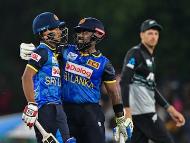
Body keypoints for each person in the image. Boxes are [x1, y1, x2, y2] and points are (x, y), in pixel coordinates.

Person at [20, 17, 133, 143]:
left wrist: (120, 120)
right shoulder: (65, 50)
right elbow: (46, 51)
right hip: (66, 111)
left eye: (85, 32)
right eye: (79, 32)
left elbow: (113, 93)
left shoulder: (104, 63)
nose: (80, 35)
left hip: (91, 114)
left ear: (97, 35)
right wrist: (32, 49)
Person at [120, 19, 185, 143]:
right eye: (150, 33)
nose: (153, 36)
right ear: (141, 35)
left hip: (141, 113)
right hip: (143, 112)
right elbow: (124, 81)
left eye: (156, 33)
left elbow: (151, 88)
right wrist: (127, 110)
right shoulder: (136, 53)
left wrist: (170, 109)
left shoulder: (150, 58)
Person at [21, 12, 76, 143]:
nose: (59, 31)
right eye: (55, 28)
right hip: (46, 108)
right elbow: (26, 77)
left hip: (56, 107)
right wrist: (32, 104)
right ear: (44, 32)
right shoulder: (42, 51)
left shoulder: (52, 53)